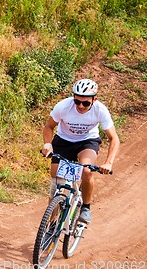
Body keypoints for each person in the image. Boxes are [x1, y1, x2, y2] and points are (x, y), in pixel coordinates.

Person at [41, 78, 120, 223]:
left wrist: (109, 162)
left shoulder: (100, 110)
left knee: (86, 171)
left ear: (94, 99)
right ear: (73, 98)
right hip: (64, 141)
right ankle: (52, 220)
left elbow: (114, 138)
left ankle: (85, 207)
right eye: (77, 102)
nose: (81, 106)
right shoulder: (63, 107)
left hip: (87, 141)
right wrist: (47, 145)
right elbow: (48, 127)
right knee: (56, 179)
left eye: (86, 103)